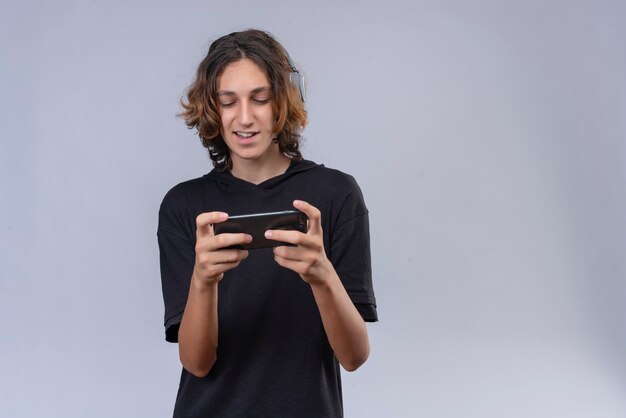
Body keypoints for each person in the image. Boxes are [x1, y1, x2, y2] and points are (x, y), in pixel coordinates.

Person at [158, 29, 377, 418]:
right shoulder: (184, 205)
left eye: (261, 99)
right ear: (212, 109)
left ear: (285, 101)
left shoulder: (336, 194)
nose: (245, 117)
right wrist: (202, 281)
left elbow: (354, 356)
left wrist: (322, 275)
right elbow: (196, 363)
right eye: (228, 102)